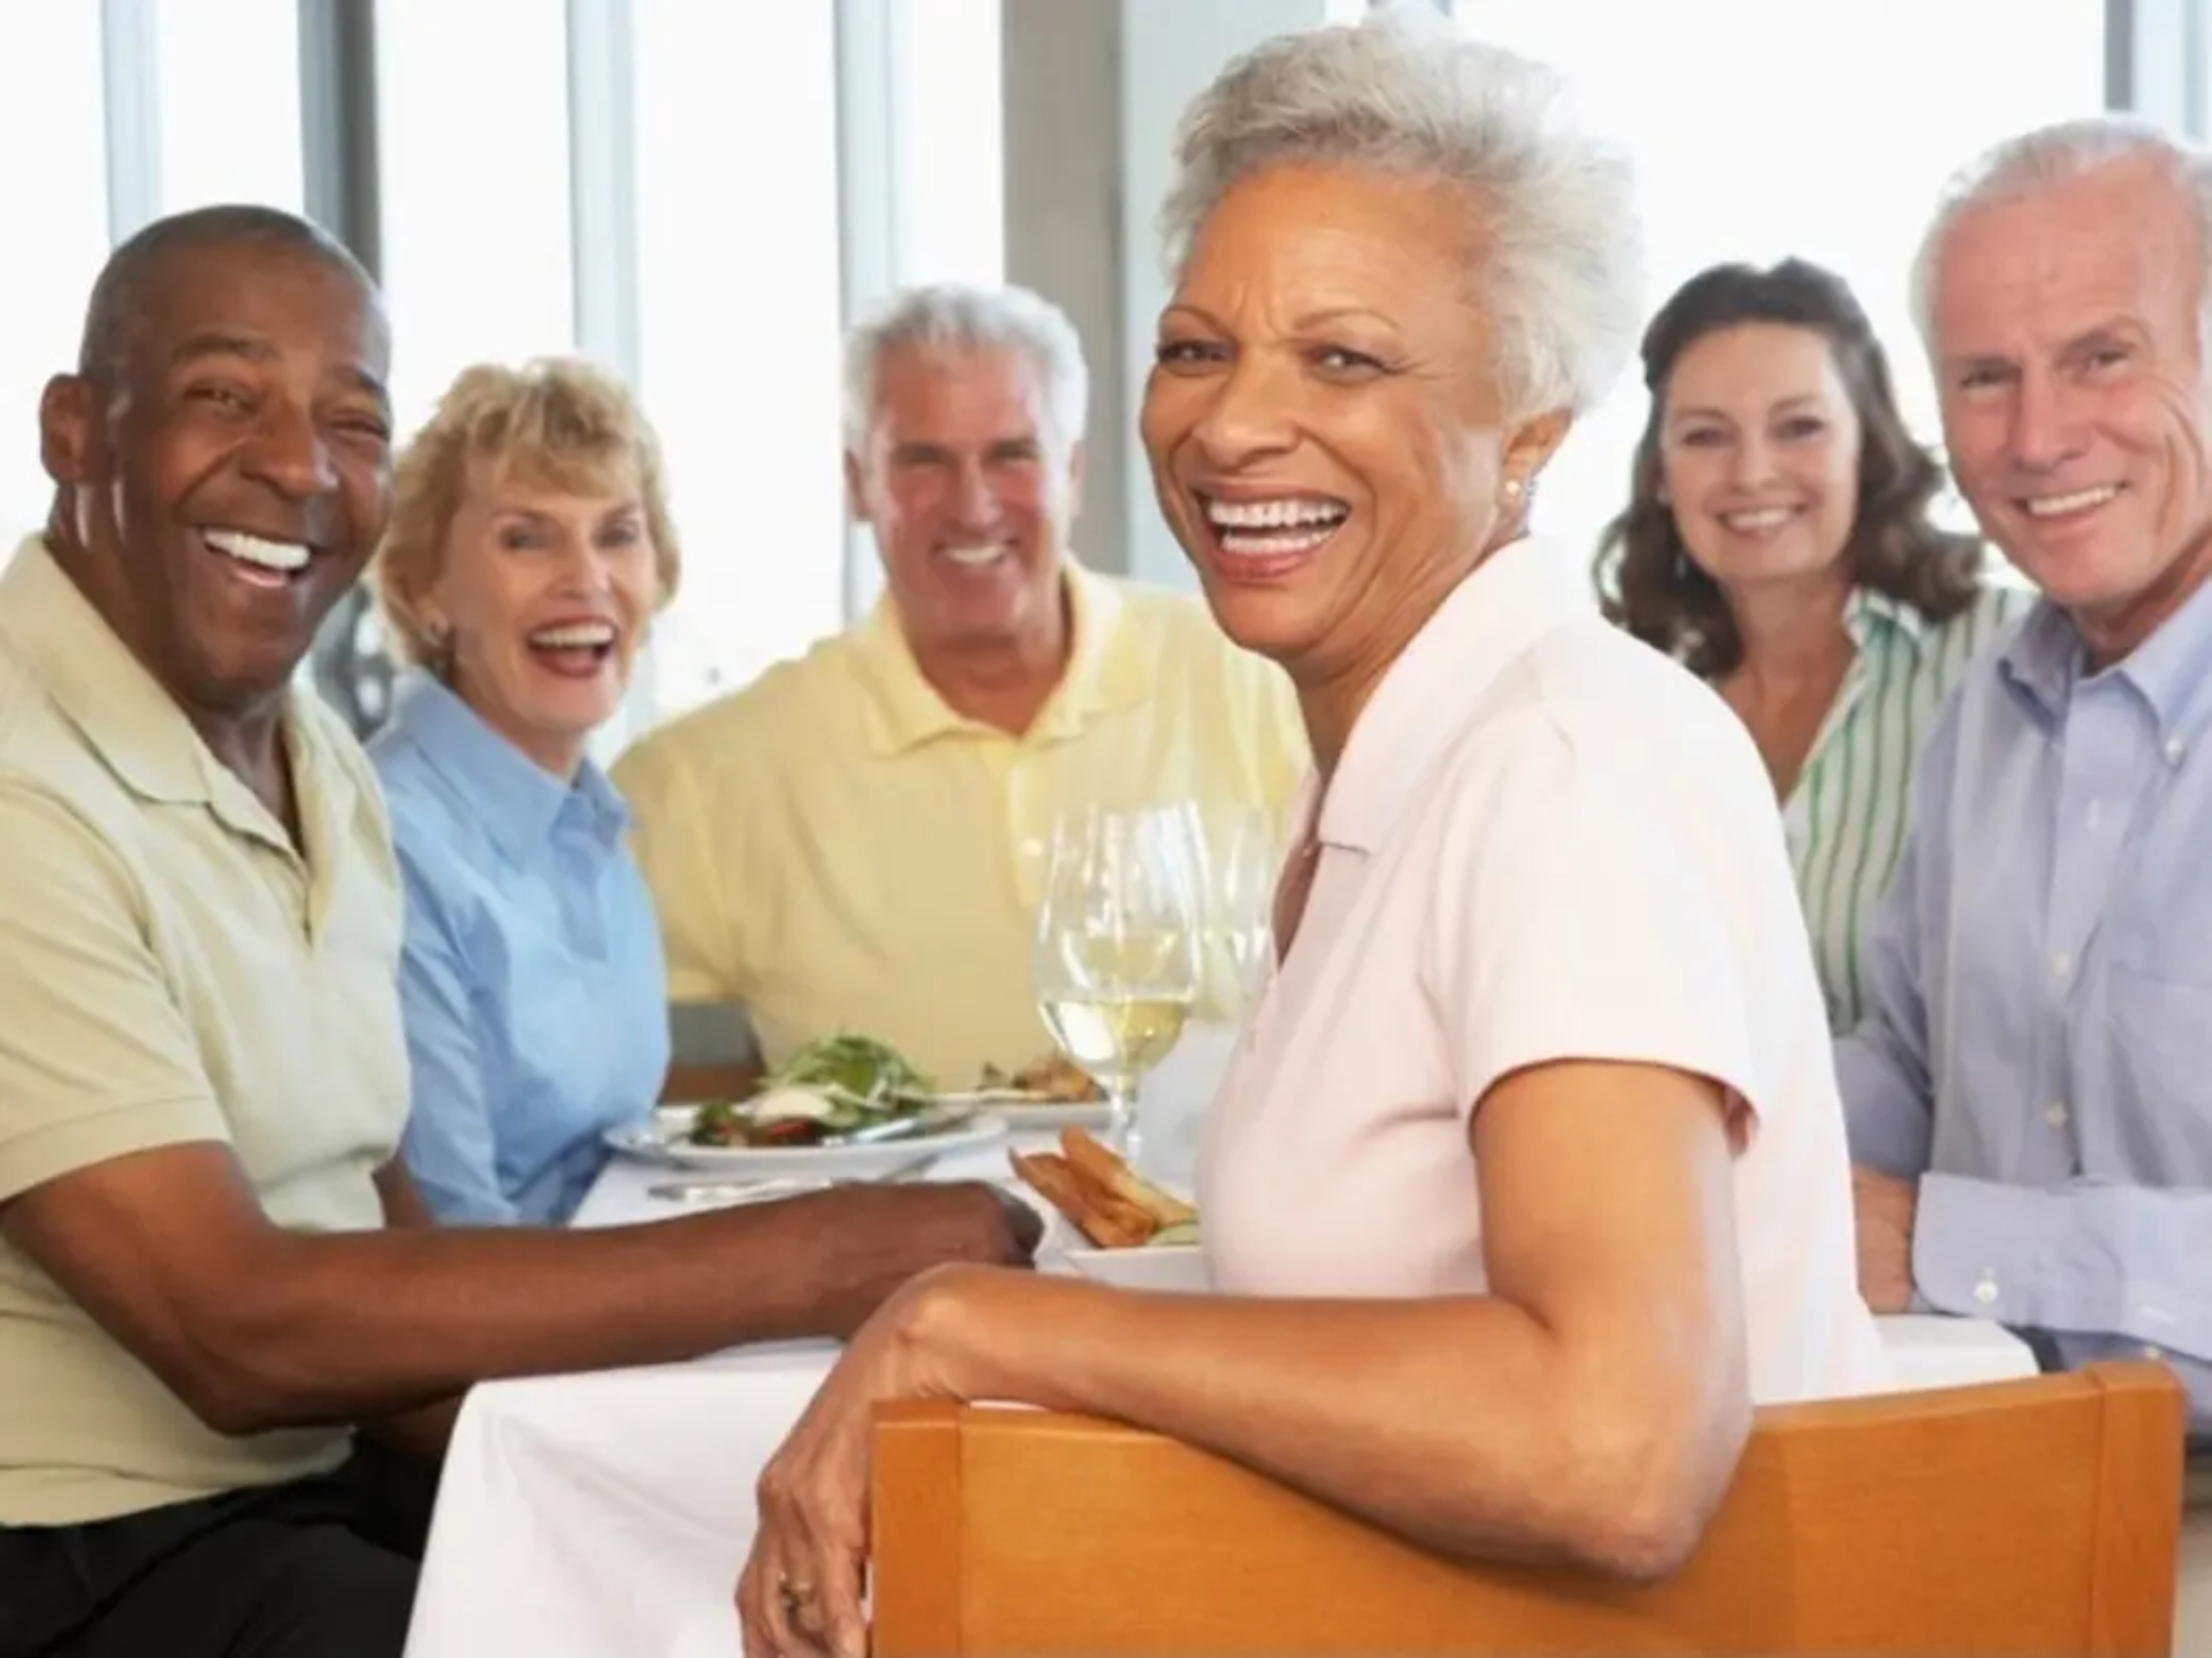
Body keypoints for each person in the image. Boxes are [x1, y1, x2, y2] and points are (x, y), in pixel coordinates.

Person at [736, 18, 1886, 1655]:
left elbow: (1614, 1447)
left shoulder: (1557, 765)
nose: (1225, 429)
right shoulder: (1399, 753)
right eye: (1197, 348)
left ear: (1536, 428)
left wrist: (967, 1321)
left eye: (1340, 360)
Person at [0, 205, 1036, 1658]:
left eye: (349, 420)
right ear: (73, 430)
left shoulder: (314, 760)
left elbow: (399, 1267)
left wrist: (735, 1419)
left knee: (850, 1580)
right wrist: (815, 1261)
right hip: (87, 1551)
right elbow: (235, 1327)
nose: (297, 463)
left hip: (320, 1479)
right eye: (223, 396)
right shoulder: (20, 778)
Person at [1835, 117, 2212, 1641]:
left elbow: (1914, 1214)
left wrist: (1933, 1240)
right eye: (1983, 378)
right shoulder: (1983, 709)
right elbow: (1902, 1061)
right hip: (1990, 1488)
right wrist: (1708, 1142)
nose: (2037, 437)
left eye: (2101, 355)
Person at [611, 281, 1307, 1088]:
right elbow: (613, 1091)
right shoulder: (700, 780)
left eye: (1012, 454)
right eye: (922, 461)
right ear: (857, 483)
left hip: (1211, 1213)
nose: (973, 507)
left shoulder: (1260, 683)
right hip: (877, 1212)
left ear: (1073, 472)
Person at [1599, 259, 2033, 1032]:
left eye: (1799, 427)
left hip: (1936, 1156)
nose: (1752, 473)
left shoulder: (2009, 659)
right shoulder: (1629, 706)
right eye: (1705, 436)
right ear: (1660, 473)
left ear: (1867, 446)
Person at [367, 359, 676, 1225]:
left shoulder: (594, 827)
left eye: (618, 534)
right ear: (428, 589)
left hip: (605, 1316)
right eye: (526, 539)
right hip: (502, 1349)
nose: (587, 579)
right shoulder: (393, 845)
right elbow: (453, 1242)